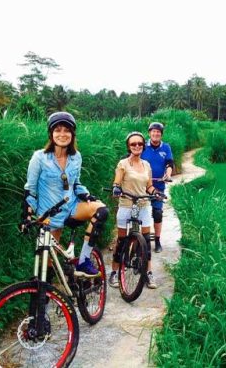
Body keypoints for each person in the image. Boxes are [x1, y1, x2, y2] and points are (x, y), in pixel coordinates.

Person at [20, 112, 109, 276]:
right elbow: (30, 190)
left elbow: (76, 183)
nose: (62, 134)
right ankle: (44, 298)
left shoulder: (76, 157)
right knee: (46, 269)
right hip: (49, 215)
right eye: (58, 130)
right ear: (51, 133)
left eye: (67, 130)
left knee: (101, 211)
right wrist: (27, 214)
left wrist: (86, 194)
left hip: (72, 206)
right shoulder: (39, 158)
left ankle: (83, 260)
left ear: (72, 134)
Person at [108, 131, 162, 289]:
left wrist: (155, 193)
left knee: (145, 240)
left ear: (143, 146)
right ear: (128, 146)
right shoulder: (123, 164)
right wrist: (116, 189)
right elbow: (117, 182)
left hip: (143, 205)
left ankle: (148, 273)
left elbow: (149, 186)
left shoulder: (146, 165)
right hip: (126, 204)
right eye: (133, 144)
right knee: (122, 240)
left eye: (140, 143)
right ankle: (115, 272)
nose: (137, 146)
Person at [141, 122, 174, 253]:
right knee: (140, 213)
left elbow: (169, 163)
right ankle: (141, 241)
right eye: (153, 132)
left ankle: (158, 241)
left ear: (161, 134)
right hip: (142, 186)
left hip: (158, 186)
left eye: (158, 132)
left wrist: (167, 175)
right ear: (149, 133)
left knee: (157, 213)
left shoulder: (166, 147)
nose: (156, 134)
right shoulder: (142, 146)